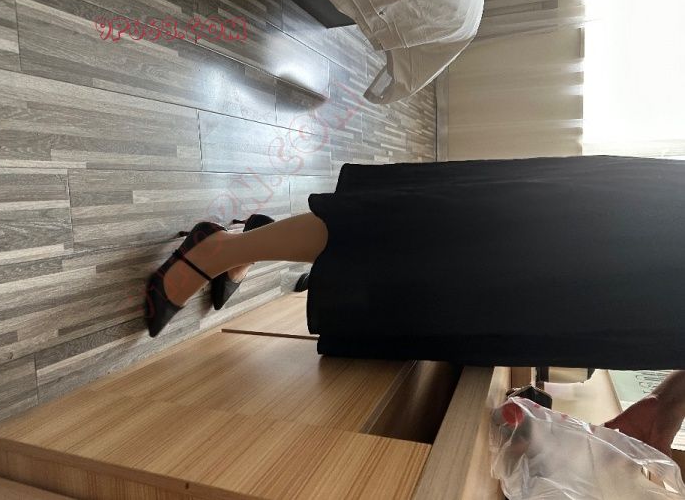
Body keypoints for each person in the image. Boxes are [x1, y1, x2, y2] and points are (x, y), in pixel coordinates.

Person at [145, 155, 685, 455]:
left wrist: (669, 407)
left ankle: (253, 244)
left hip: (659, 316)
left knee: (461, 283)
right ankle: (219, 248)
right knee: (462, 237)